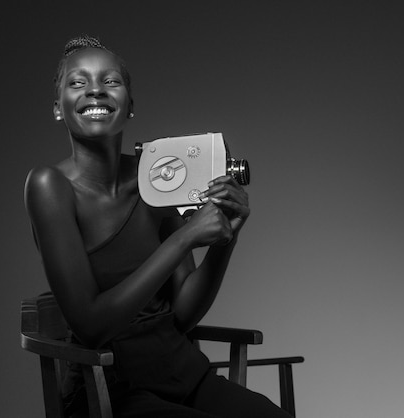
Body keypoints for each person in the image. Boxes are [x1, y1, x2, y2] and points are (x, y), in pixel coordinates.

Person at [25, 35, 291, 418]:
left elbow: (183, 314)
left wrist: (224, 238)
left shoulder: (154, 177)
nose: (96, 90)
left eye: (110, 81)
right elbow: (91, 327)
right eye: (78, 82)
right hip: (109, 391)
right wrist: (186, 236)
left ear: (130, 106)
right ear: (58, 108)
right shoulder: (49, 186)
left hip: (183, 374)